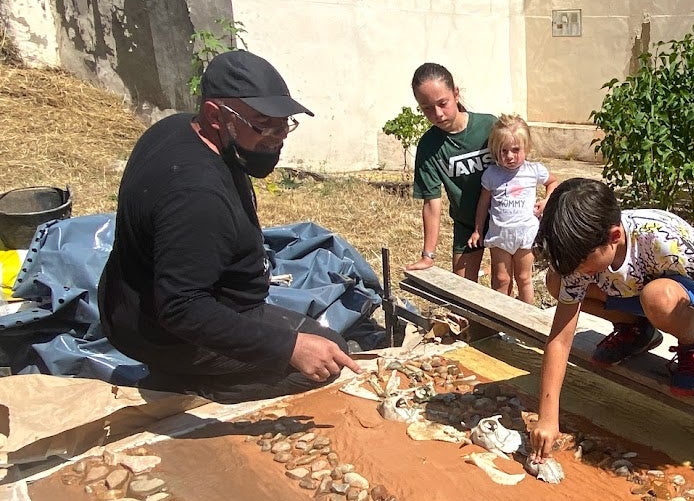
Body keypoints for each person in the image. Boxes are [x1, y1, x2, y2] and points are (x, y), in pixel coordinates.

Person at [99, 50, 360, 404]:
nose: (278, 137)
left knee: (323, 346)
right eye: (262, 124)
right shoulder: (196, 195)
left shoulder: (178, 127)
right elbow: (182, 309)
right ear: (214, 115)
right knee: (326, 359)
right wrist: (289, 347)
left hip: (133, 301)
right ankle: (192, 388)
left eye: (285, 123)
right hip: (162, 330)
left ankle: (196, 371)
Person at [529, 178, 694, 461]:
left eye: (581, 262)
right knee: (557, 282)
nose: (576, 269)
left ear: (614, 237)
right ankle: (636, 330)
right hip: (635, 293)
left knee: (657, 297)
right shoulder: (581, 253)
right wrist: (548, 417)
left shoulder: (659, 239)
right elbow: (561, 338)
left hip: (692, 297)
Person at [405, 63, 496, 281]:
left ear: (456, 94)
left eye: (442, 103)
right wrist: (428, 255)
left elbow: (518, 169)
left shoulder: (489, 127)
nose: (437, 114)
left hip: (503, 219)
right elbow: (431, 202)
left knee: (503, 282)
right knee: (462, 288)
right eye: (426, 108)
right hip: (466, 224)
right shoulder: (429, 146)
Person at [468, 114, 559, 304]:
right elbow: (483, 204)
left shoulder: (533, 170)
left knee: (524, 278)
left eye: (515, 150)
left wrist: (546, 202)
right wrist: (477, 230)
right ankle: (501, 321)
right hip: (500, 235)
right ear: (495, 150)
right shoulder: (492, 174)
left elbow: (553, 183)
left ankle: (527, 322)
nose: (509, 156)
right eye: (503, 150)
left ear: (527, 148)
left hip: (525, 235)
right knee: (501, 279)